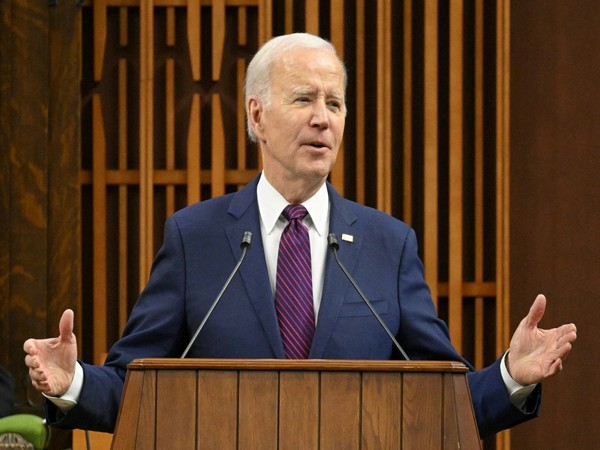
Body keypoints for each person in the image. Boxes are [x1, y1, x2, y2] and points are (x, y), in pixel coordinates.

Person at [23, 33, 577, 439]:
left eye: (334, 104)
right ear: (257, 116)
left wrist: (510, 375)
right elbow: (133, 388)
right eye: (304, 99)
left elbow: (445, 399)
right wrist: (72, 381)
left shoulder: (389, 244)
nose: (323, 119)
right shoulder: (195, 238)